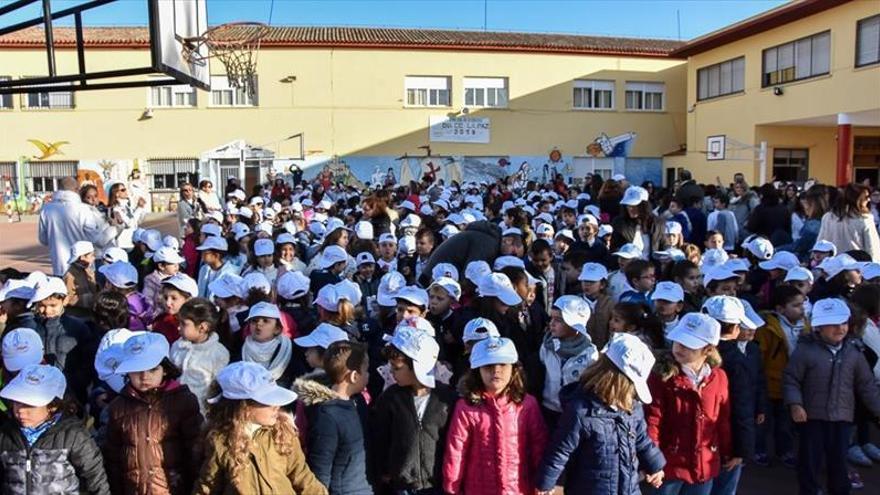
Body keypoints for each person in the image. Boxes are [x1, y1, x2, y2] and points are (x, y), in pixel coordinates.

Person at [535, 333, 665, 494]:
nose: (633, 393)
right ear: (616, 381)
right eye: (632, 386)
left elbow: (642, 440)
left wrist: (655, 465)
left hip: (628, 488)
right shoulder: (581, 411)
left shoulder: (632, 406)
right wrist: (545, 484)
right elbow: (560, 450)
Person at [784, 298, 880, 495]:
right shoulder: (805, 351)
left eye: (843, 323)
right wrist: (795, 404)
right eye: (833, 324)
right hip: (812, 418)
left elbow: (866, 385)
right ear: (818, 327)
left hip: (842, 417)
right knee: (810, 461)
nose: (840, 328)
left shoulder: (854, 352)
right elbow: (791, 379)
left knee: (839, 462)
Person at [193, 362, 327, 495]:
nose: (276, 406)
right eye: (267, 401)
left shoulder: (283, 432)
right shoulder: (220, 442)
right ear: (243, 407)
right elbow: (208, 486)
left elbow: (303, 477)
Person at [443, 337, 547, 495]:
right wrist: (452, 486)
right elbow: (457, 450)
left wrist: (543, 481)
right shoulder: (466, 408)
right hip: (479, 488)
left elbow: (539, 445)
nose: (496, 370)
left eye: (503, 364)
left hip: (519, 488)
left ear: (514, 369)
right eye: (488, 365)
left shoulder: (527, 405)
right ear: (477, 370)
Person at [103, 332, 203, 495]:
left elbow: (195, 449)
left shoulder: (183, 401)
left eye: (152, 369)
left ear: (165, 370)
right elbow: (113, 456)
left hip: (173, 487)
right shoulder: (118, 407)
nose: (144, 377)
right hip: (134, 488)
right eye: (137, 370)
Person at [645, 313, 731, 495]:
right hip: (667, 466)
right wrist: (652, 463)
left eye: (689, 345)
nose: (679, 348)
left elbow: (722, 420)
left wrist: (727, 452)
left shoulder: (719, 378)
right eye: (678, 341)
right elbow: (653, 421)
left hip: (704, 466)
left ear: (707, 349)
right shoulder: (662, 377)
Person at [370, 325, 457, 494]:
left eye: (397, 368)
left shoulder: (446, 399)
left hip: (437, 484)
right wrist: (385, 470)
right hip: (402, 485)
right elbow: (380, 438)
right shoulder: (390, 398)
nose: (392, 372)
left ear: (418, 367)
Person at [0, 364, 110, 494]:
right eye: (17, 402)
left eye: (30, 405)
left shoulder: (73, 435)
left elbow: (95, 478)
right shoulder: (5, 435)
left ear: (52, 405)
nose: (21, 411)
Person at [301, 341, 372, 494]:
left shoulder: (358, 402)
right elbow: (321, 465)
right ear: (354, 376)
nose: (368, 375)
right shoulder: (327, 415)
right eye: (366, 371)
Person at [38, 177, 116, 276]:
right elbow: (97, 239)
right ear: (76, 190)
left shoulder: (46, 209)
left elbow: (43, 239)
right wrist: (115, 228)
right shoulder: (83, 209)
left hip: (59, 266)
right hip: (82, 266)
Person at [170, 298, 230, 413]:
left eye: (184, 324)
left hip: (200, 413)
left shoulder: (218, 353)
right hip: (173, 409)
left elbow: (217, 389)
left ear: (203, 327)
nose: (179, 327)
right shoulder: (177, 346)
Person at [817, 183, 880, 260]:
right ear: (857, 199)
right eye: (866, 197)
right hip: (856, 266)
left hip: (832, 265)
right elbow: (872, 248)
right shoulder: (865, 219)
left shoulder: (828, 217)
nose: (869, 199)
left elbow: (820, 243)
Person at [63, 240, 98, 320]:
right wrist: (89, 299)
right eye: (91, 255)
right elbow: (68, 298)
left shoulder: (88, 270)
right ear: (82, 257)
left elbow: (94, 289)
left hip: (88, 313)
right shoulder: (70, 276)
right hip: (77, 316)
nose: (94, 258)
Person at [106, 181, 147, 251]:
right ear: (116, 194)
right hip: (124, 244)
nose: (126, 191)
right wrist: (139, 208)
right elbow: (129, 223)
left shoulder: (126, 205)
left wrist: (140, 207)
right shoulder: (116, 208)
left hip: (132, 241)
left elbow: (136, 221)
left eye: (125, 189)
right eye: (123, 190)